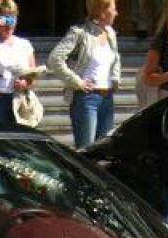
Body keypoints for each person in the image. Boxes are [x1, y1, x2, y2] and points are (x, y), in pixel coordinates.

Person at [48, 0, 122, 147]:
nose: (116, 13)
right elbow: (54, 59)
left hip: (107, 97)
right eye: (113, 9)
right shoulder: (79, 32)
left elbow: (116, 60)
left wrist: (115, 79)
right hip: (87, 98)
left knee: (103, 151)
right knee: (86, 150)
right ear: (102, 12)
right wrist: (77, 82)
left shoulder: (111, 33)